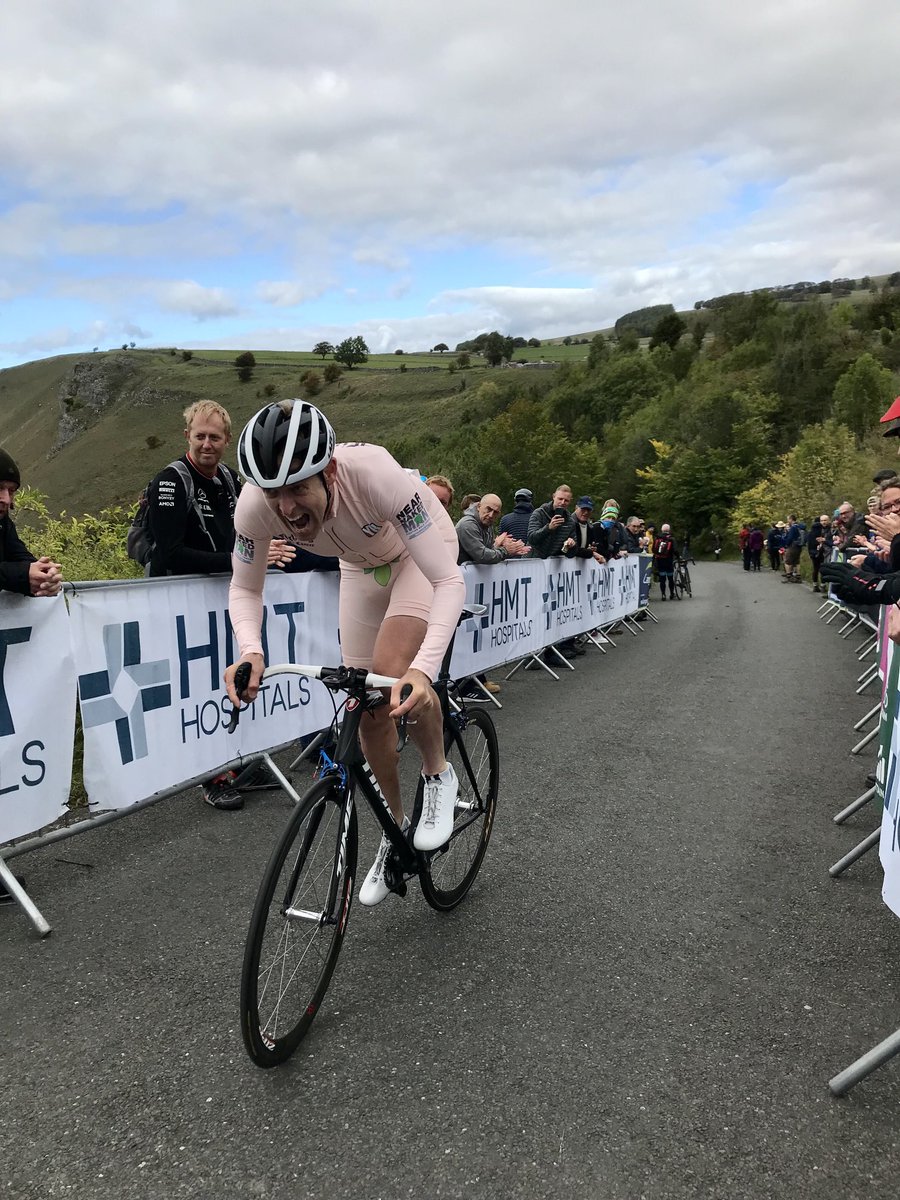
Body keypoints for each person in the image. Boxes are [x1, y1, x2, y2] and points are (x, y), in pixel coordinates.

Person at [225, 400, 466, 907]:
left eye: (297, 488)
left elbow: (447, 578)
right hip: (359, 567)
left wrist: (422, 670)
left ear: (329, 471)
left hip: (419, 552)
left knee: (392, 677)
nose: (286, 508)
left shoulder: (375, 474)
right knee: (366, 703)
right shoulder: (252, 508)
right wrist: (252, 650)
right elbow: (245, 589)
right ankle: (395, 828)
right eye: (274, 493)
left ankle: (439, 772)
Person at [147, 401, 293, 810]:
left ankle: (242, 761)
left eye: (215, 437)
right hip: (181, 602)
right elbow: (170, 554)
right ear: (187, 436)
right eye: (200, 436)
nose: (207, 444)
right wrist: (242, 563)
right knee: (196, 688)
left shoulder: (232, 480)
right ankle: (211, 774)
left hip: (228, 596)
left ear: (227, 440)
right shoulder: (171, 482)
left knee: (239, 675)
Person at [455, 493, 528, 699]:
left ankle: (476, 678)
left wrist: (499, 547)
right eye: (488, 509)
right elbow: (482, 555)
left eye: (496, 512)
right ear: (479, 506)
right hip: (460, 588)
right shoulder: (468, 525)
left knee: (475, 634)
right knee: (465, 635)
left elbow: (488, 551)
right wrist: (506, 551)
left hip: (473, 588)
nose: (491, 514)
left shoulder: (485, 525)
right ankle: (464, 686)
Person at [0, 450, 62, 597]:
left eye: (11, 491)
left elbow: (21, 557)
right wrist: (22, 575)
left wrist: (45, 577)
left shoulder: (4, 524)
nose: (6, 499)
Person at [808, 514, 832, 592]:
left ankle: (817, 585)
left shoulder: (829, 530)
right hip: (820, 552)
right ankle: (822, 585)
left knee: (817, 569)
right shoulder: (820, 531)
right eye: (822, 520)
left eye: (825, 520)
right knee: (821, 568)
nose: (823, 522)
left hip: (818, 552)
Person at [653, 523, 676, 599]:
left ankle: (663, 594)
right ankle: (672, 593)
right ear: (669, 530)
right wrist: (678, 557)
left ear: (661, 530)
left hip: (660, 561)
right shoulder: (671, 539)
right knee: (670, 578)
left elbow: (653, 549)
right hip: (668, 560)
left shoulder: (657, 538)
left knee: (662, 579)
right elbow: (675, 550)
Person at [781, 515, 804, 582]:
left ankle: (789, 576)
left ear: (791, 519)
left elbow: (790, 538)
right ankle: (798, 576)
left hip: (792, 546)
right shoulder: (799, 526)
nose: (788, 521)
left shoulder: (793, 527)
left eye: (788, 519)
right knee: (797, 561)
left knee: (787, 561)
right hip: (799, 546)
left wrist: (786, 544)